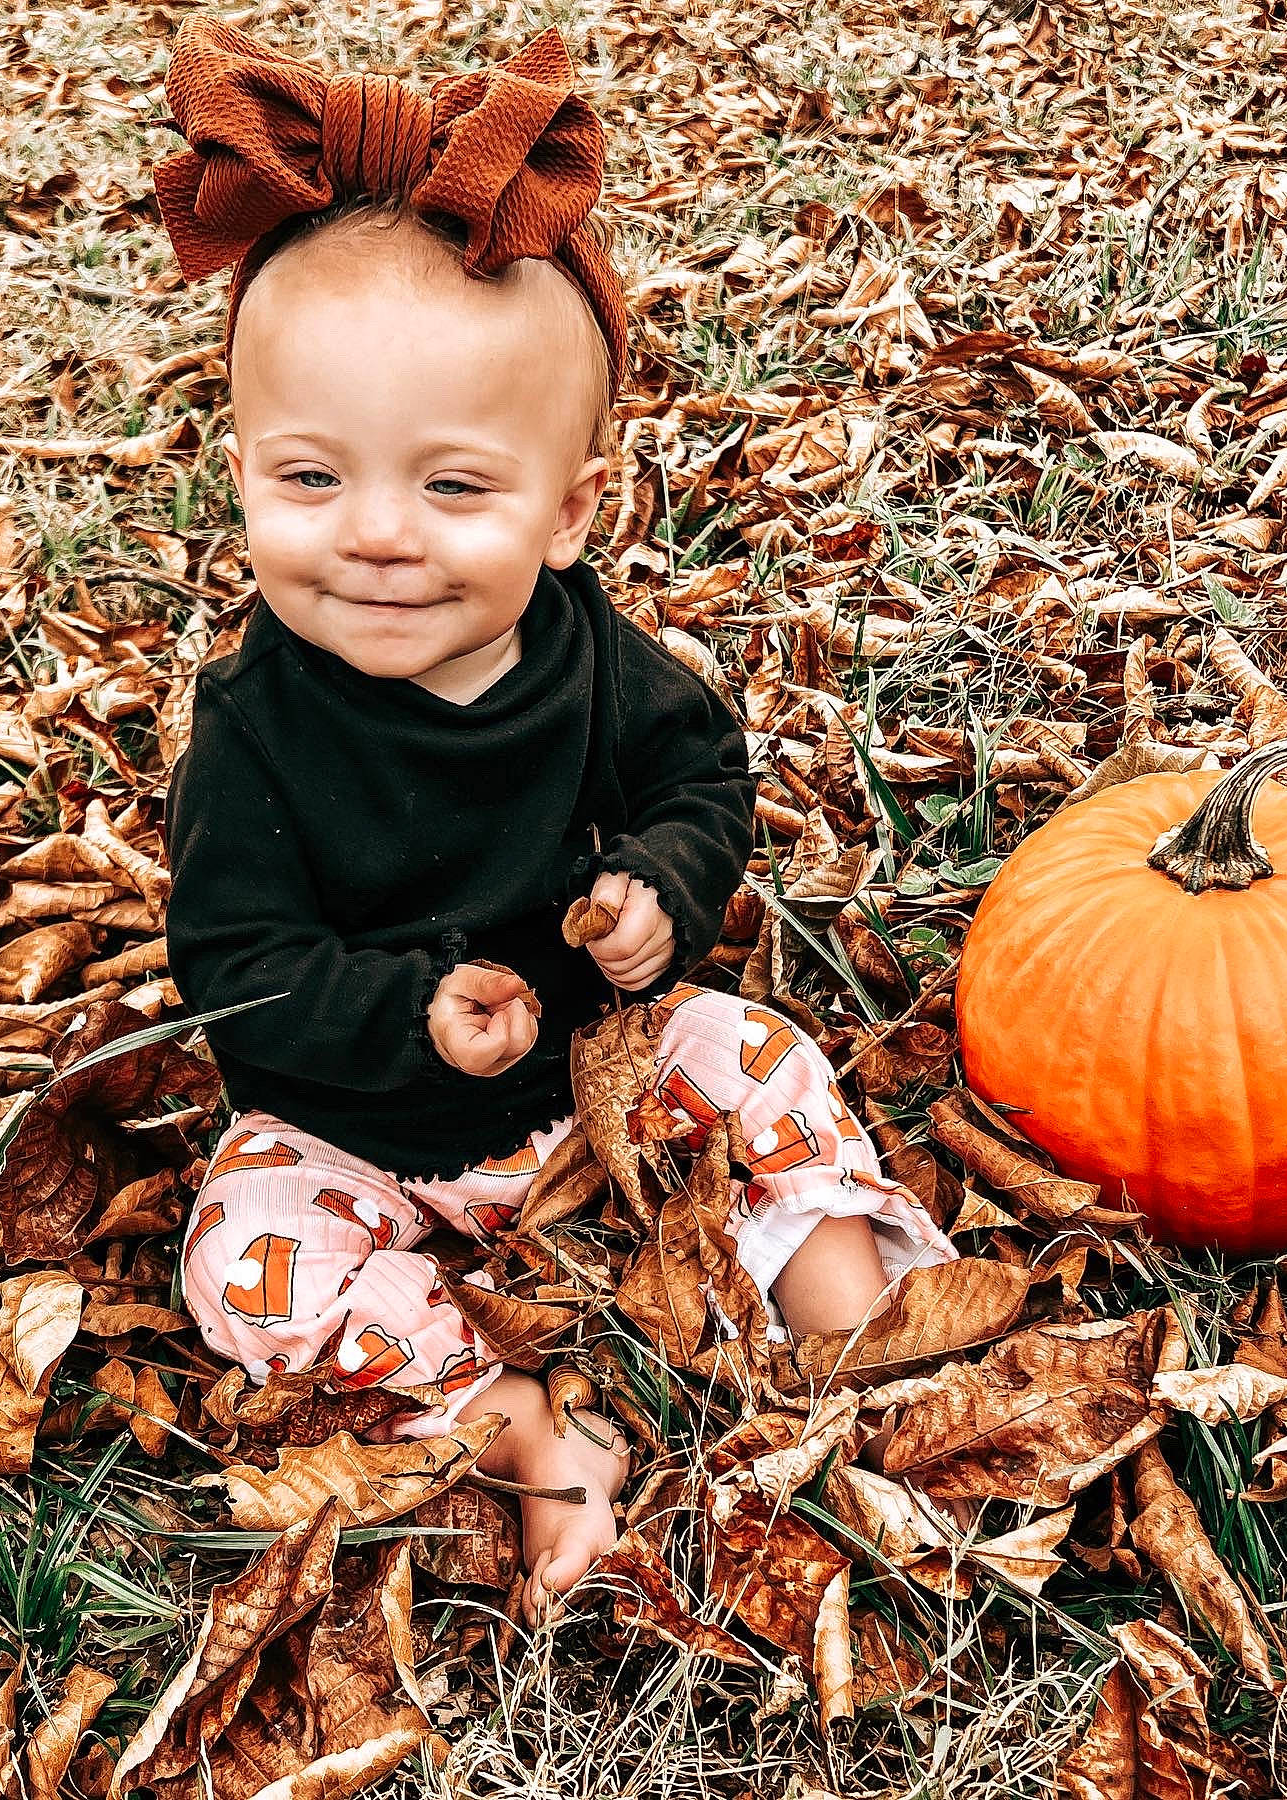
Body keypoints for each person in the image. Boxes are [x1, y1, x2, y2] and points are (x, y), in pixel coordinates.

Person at [156, 18, 957, 1627]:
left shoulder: (599, 662)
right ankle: (506, 1415)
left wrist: (664, 885)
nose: (378, 536)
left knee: (756, 1049)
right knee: (240, 1246)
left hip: (603, 1060)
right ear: (238, 469)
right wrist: (407, 1019)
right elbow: (234, 963)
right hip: (360, 1127)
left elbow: (699, 784)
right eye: (311, 480)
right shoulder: (254, 730)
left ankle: (844, 1307)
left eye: (456, 489)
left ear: (575, 506)